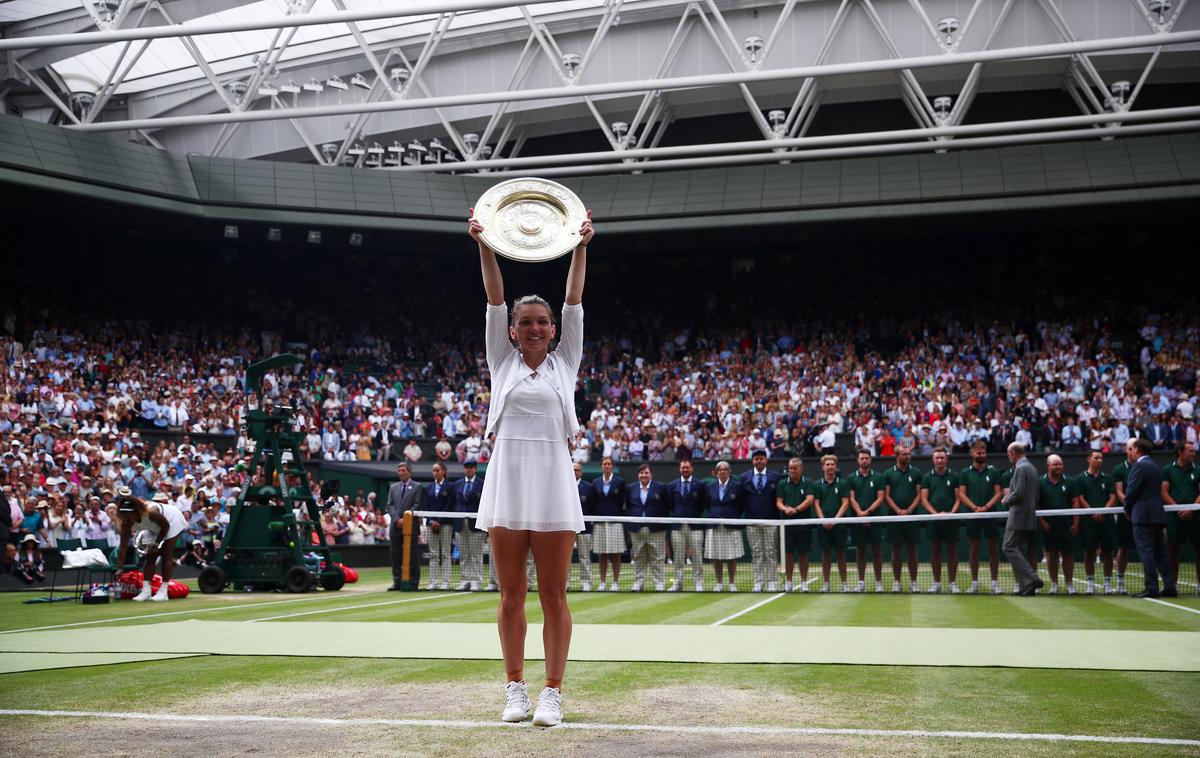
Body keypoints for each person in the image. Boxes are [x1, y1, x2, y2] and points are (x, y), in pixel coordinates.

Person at [469, 205, 593, 728]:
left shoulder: (566, 362)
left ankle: (552, 692)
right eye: (527, 322)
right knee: (511, 595)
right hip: (507, 480)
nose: (536, 327)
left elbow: (575, 300)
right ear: (513, 331)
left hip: (554, 481)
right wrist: (484, 243)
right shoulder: (502, 358)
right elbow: (494, 297)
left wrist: (581, 245)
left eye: (543, 322)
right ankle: (515, 688)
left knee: (554, 594)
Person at [115, 488, 188, 602]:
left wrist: (157, 543)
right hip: (154, 528)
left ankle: (164, 592)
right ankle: (146, 591)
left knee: (166, 554)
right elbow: (123, 546)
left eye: (128, 517)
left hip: (171, 520)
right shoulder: (125, 522)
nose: (126, 520)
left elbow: (165, 527)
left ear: (135, 512)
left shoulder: (152, 513)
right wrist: (119, 568)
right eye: (123, 516)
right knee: (150, 557)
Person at [1124, 438, 1176, 598]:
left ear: (1138, 450)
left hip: (1143, 516)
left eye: (1132, 449)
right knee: (1160, 552)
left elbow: (1131, 491)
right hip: (1157, 515)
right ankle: (1170, 587)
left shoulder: (1139, 466)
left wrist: (1127, 508)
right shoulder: (1154, 466)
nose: (1130, 452)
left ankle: (1151, 588)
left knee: (1146, 552)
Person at [959, 440, 1003, 594]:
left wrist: (986, 508)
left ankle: (994, 584)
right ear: (972, 454)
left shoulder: (994, 472)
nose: (982, 455)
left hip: (990, 514)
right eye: (979, 453)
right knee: (974, 549)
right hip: (973, 515)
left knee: (993, 549)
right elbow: (962, 494)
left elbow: (999, 493)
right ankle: (974, 583)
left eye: (984, 452)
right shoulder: (965, 473)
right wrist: (974, 508)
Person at [1001, 442, 1043, 595]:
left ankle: (1032, 578)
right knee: (1021, 549)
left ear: (1013, 453)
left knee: (1008, 546)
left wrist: (1006, 499)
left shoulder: (1020, 468)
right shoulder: (1031, 468)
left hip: (1018, 515)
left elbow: (1018, 493)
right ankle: (1026, 587)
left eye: (1009, 454)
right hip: (1029, 515)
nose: (1009, 457)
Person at [1075, 450, 1117, 594]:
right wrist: (1092, 511)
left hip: (1106, 520)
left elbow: (1113, 497)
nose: (1099, 460)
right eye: (1096, 458)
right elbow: (1080, 498)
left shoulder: (1108, 478)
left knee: (1108, 552)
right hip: (1088, 521)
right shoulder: (1080, 478)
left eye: (1101, 458)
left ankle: (1107, 583)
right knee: (1089, 552)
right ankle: (1090, 583)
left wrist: (1103, 511)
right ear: (1089, 459)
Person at [740, 449, 781, 592]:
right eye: (756, 459)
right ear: (753, 461)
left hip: (771, 521)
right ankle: (758, 582)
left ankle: (772, 582)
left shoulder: (776, 477)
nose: (759, 461)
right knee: (756, 552)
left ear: (766, 460)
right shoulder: (744, 477)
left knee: (770, 552)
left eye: (761, 459)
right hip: (752, 521)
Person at [921, 447, 961, 593]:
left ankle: (952, 583)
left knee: (952, 551)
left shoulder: (954, 476)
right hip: (934, 520)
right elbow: (924, 500)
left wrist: (951, 514)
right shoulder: (927, 477)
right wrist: (936, 514)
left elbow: (958, 498)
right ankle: (936, 583)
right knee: (935, 551)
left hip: (951, 520)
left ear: (946, 459)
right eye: (937, 458)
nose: (939, 460)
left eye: (942, 458)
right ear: (933, 460)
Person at [883, 446, 923, 593]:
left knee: (912, 550)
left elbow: (919, 495)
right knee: (896, 549)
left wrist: (909, 511)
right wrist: (898, 511)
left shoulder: (917, 472)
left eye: (909, 454)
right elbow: (886, 496)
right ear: (897, 455)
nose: (908, 456)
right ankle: (897, 582)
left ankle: (914, 582)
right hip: (895, 517)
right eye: (904, 454)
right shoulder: (888, 473)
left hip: (912, 516)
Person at [1038, 454, 1078, 594]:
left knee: (1067, 555)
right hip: (1049, 526)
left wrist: (1075, 523)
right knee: (1051, 556)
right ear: (1048, 466)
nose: (1059, 467)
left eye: (1060, 464)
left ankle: (1069, 584)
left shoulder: (1070, 482)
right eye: (1055, 464)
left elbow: (1075, 503)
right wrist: (1042, 521)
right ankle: (1054, 584)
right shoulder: (1040, 482)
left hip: (1066, 525)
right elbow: (1036, 504)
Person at [1161, 441, 1199, 591]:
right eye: (1191, 451)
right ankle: (1172, 585)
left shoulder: (1198, 470)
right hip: (1174, 517)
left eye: (1194, 451)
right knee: (1173, 551)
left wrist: (1192, 509)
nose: (1194, 454)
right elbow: (1164, 492)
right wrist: (1178, 509)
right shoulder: (1168, 470)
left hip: (1196, 515)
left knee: (1199, 550)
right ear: (1180, 453)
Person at [625, 463, 668, 591]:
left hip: (656, 529)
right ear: (638, 475)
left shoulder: (660, 487)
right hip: (636, 529)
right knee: (638, 557)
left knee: (658, 558)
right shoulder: (631, 488)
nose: (644, 475)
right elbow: (628, 505)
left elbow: (666, 505)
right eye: (641, 473)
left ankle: (659, 584)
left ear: (651, 474)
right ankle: (638, 583)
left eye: (646, 473)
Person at [847, 449, 885, 593]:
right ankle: (861, 582)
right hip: (858, 520)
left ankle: (879, 582)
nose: (864, 460)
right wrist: (861, 514)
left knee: (877, 551)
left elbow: (880, 498)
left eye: (866, 458)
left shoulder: (878, 477)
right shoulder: (851, 478)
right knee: (860, 551)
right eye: (862, 458)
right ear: (858, 460)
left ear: (870, 459)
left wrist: (868, 514)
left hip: (874, 519)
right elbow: (851, 498)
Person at [811, 454, 850, 592]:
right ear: (823, 467)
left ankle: (844, 583)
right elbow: (816, 504)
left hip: (839, 525)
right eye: (827, 464)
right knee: (825, 554)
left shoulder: (843, 483)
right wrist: (823, 520)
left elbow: (845, 503)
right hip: (823, 526)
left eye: (832, 464)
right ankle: (826, 583)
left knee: (841, 554)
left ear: (836, 466)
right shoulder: (817, 485)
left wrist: (834, 520)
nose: (830, 466)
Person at [668, 458, 707, 592]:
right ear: (680, 469)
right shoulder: (673, 485)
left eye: (687, 467)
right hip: (677, 526)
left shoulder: (700, 485)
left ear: (692, 469)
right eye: (683, 467)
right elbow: (671, 505)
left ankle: (698, 583)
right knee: (678, 557)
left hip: (695, 525)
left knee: (697, 556)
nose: (685, 469)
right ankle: (678, 583)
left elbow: (702, 505)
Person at [704, 460, 744, 592]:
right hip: (715, 524)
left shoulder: (737, 487)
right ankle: (719, 583)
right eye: (719, 470)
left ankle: (732, 583)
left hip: (731, 525)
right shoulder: (710, 487)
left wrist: (731, 516)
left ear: (729, 472)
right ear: (716, 473)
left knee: (731, 556)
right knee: (717, 556)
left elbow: (741, 505)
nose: (722, 472)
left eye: (724, 469)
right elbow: (708, 504)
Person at [776, 457, 814, 592]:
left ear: (801, 469)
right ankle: (789, 582)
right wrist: (785, 509)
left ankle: (804, 582)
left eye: (795, 468)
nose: (792, 471)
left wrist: (796, 509)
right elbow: (779, 502)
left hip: (803, 524)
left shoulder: (808, 483)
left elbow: (810, 499)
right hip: (786, 525)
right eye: (790, 468)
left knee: (803, 555)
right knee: (788, 555)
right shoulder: (782, 483)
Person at [386, 462, 424, 591]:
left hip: (411, 527)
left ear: (409, 472)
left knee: (413, 555)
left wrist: (406, 519)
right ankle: (397, 582)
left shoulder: (418, 487)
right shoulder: (393, 487)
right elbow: (389, 505)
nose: (401, 473)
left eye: (403, 470)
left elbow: (417, 505)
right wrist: (397, 519)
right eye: (399, 471)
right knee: (395, 555)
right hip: (395, 527)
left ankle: (414, 583)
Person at [591, 457, 626, 592]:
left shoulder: (620, 482)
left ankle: (615, 582)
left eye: (609, 464)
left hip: (615, 521)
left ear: (612, 466)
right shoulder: (595, 482)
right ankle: (602, 582)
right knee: (602, 554)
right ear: (601, 466)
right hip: (600, 522)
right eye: (604, 464)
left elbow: (622, 501)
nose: (606, 466)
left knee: (616, 554)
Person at [454, 459, 487, 591]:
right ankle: (465, 580)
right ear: (464, 469)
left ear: (475, 469)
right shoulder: (457, 484)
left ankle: (476, 581)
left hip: (476, 524)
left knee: (476, 554)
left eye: (472, 467)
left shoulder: (482, 484)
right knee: (464, 554)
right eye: (467, 467)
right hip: (460, 523)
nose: (469, 469)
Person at [424, 462, 454, 591]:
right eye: (433, 470)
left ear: (443, 472)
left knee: (446, 553)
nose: (435, 473)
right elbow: (426, 506)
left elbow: (449, 505)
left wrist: (439, 521)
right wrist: (431, 521)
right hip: (431, 526)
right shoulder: (428, 488)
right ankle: (433, 581)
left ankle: (446, 581)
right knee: (433, 554)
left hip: (446, 524)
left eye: (437, 470)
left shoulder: (450, 487)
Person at [573, 462, 595, 592]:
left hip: (585, 527)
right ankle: (565, 583)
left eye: (577, 470)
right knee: (565, 559)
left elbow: (592, 506)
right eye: (573, 470)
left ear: (581, 472)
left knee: (584, 556)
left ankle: (586, 582)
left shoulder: (589, 487)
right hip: (567, 528)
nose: (575, 472)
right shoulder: (563, 485)